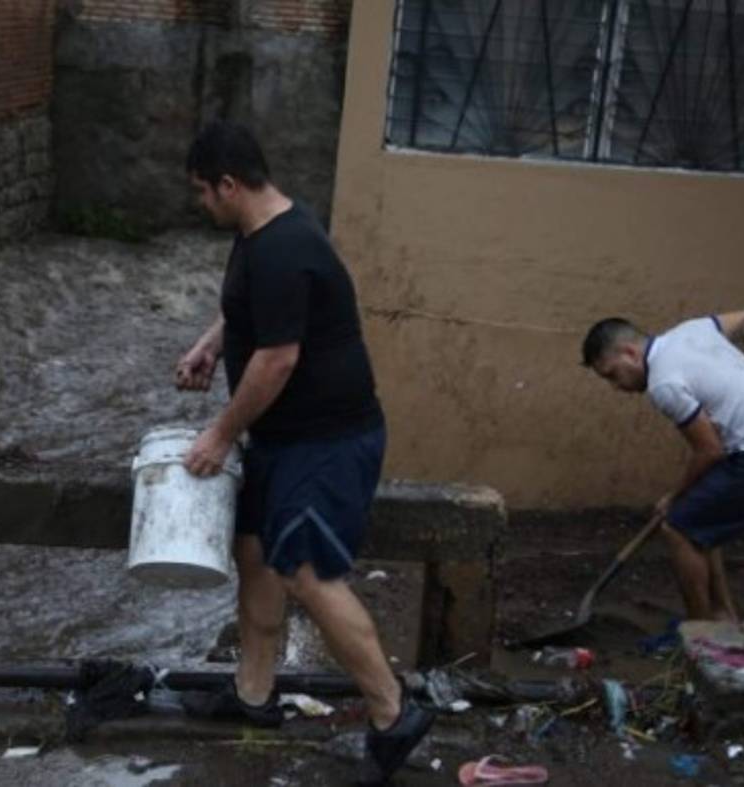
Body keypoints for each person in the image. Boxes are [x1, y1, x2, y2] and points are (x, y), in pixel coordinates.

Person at [174, 120, 432, 784]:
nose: (201, 204)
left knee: (307, 572)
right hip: (283, 437)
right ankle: (254, 694)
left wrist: (219, 434)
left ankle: (392, 711)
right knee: (255, 553)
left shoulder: (285, 248)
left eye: (203, 192)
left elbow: (278, 357)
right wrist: (211, 342)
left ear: (229, 184)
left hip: (326, 440)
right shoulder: (264, 231)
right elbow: (253, 310)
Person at [581, 309, 744, 621]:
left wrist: (674, 496)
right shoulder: (692, 330)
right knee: (700, 521)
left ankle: (698, 633)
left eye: (612, 374)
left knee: (678, 528)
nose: (616, 386)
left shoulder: (663, 384)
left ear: (630, 353)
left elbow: (709, 451)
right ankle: (721, 616)